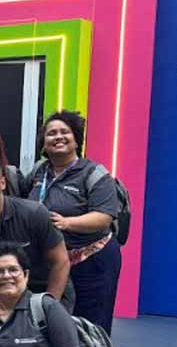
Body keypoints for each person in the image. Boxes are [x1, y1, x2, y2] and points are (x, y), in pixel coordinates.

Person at [25, 111, 121, 335]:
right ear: (44, 143)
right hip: (51, 262)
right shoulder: (39, 171)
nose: (58, 137)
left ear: (76, 139)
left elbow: (104, 216)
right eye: (51, 134)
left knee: (90, 325)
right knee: (54, 323)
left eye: (64, 132)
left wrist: (67, 223)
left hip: (90, 261)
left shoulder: (95, 173)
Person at [0, 158, 74, 310]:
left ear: (2, 183)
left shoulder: (34, 214)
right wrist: (2, 306)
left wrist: (48, 307)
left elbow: (60, 262)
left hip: (46, 291)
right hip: (2, 297)